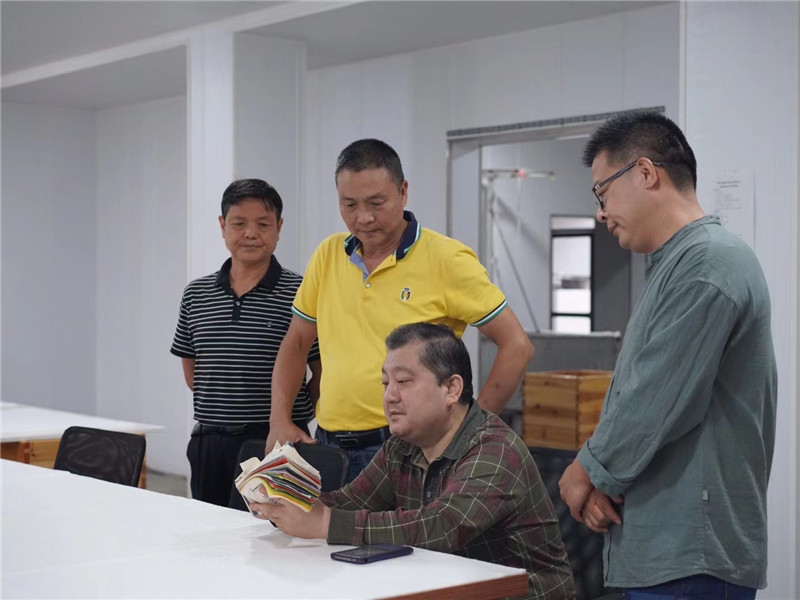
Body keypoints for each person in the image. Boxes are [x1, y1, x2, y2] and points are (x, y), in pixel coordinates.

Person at [558, 111, 777, 599]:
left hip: (692, 553)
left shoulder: (708, 263)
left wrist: (585, 472)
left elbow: (653, 399)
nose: (601, 213)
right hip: (666, 546)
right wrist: (602, 483)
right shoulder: (677, 265)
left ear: (645, 172)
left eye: (602, 193)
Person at [267, 138, 533, 482]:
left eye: (377, 202)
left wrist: (468, 433)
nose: (364, 217)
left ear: (403, 192)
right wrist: (279, 419)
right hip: (328, 446)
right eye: (349, 204)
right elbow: (297, 342)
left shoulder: (447, 259)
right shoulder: (328, 255)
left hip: (407, 450)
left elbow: (517, 346)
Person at [253, 323, 575, 600]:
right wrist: (287, 503)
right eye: (385, 383)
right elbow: (351, 501)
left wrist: (325, 523)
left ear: (451, 388)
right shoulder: (402, 446)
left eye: (403, 382)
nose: (389, 396)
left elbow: (442, 528)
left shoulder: (495, 448)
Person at [171, 179, 321, 506]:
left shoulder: (301, 292)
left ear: (279, 228)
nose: (251, 234)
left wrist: (293, 416)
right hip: (210, 441)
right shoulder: (196, 294)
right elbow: (192, 371)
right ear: (222, 225)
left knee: (275, 530)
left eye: (263, 224)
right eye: (239, 224)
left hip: (276, 441)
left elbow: (320, 371)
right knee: (209, 528)